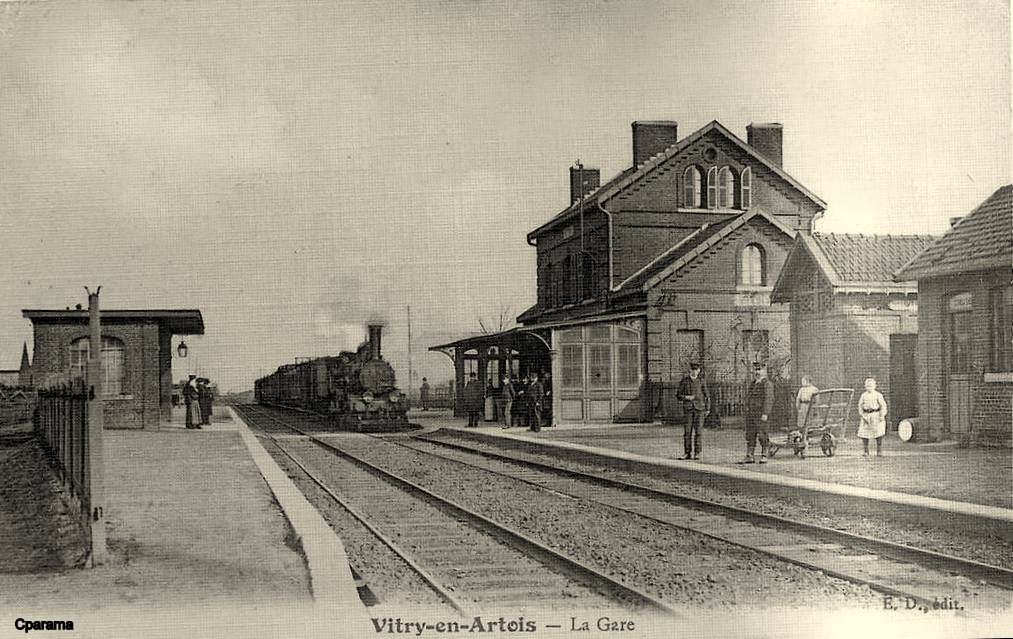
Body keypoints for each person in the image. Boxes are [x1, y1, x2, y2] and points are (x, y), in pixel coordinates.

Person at [740, 362, 773, 464]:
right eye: (756, 370)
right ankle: (750, 456)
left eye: (759, 370)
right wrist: (746, 408)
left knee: (763, 434)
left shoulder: (767, 384)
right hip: (751, 414)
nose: (757, 372)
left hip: (760, 414)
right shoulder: (753, 383)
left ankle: (764, 455)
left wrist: (765, 413)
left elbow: (769, 399)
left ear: (764, 371)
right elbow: (748, 397)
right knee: (750, 434)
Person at [676, 362, 709, 460]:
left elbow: (707, 396)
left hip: (700, 410)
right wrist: (686, 397)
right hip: (688, 409)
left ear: (699, 371)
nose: (694, 372)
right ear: (690, 370)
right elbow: (678, 395)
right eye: (692, 370)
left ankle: (697, 453)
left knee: (698, 432)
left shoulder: (701, 381)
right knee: (687, 432)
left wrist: (707, 408)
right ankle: (687, 453)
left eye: (696, 370)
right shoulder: (685, 381)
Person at [857, 377, 888, 457]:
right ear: (865, 386)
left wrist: (882, 415)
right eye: (867, 386)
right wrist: (862, 415)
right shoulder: (863, 395)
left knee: (878, 433)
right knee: (864, 433)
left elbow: (883, 405)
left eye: (871, 386)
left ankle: (879, 451)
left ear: (875, 386)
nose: (869, 388)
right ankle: (866, 451)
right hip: (866, 415)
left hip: (876, 415)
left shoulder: (878, 395)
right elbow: (860, 406)